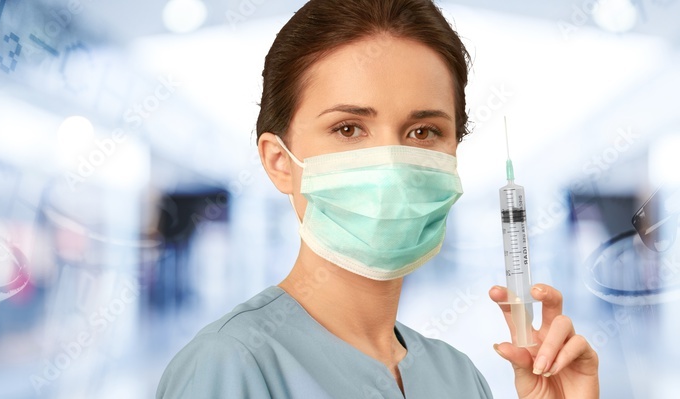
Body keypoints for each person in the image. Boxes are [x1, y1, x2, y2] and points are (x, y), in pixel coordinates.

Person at [156, 0, 599, 397]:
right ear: (280, 162)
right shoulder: (228, 365)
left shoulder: (459, 377)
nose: (391, 164)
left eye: (423, 132)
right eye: (348, 128)